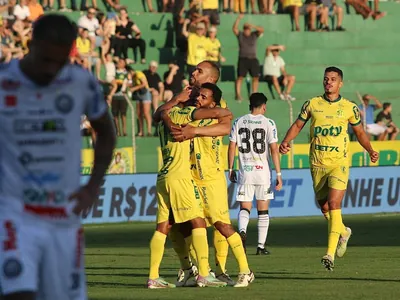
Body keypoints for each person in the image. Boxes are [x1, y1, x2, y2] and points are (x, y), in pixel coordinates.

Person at [0, 14, 116, 300]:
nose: (52, 70)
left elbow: (107, 132)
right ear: (30, 44)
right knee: (17, 292)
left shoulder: (81, 82)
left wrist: (92, 186)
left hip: (64, 217)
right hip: (13, 211)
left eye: (60, 61)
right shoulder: (4, 82)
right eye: (46, 60)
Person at [279, 66, 379, 270]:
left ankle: (329, 254)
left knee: (334, 204)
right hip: (317, 163)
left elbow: (359, 133)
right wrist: (286, 141)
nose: (328, 82)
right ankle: (343, 232)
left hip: (339, 163)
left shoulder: (349, 107)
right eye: (326, 79)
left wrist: (370, 149)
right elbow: (298, 125)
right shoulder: (312, 104)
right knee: (324, 207)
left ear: (340, 83)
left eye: (333, 79)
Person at [149, 86, 231, 289]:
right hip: (180, 177)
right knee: (198, 222)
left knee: (163, 226)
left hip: (163, 176)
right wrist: (215, 114)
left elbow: (159, 112)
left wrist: (175, 99)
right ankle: (204, 274)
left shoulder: (164, 116)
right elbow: (224, 113)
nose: (197, 101)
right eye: (196, 98)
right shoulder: (187, 114)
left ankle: (153, 277)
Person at [228, 92, 283, 255]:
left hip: (245, 171)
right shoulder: (268, 123)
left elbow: (232, 146)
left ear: (249, 105)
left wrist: (230, 169)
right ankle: (260, 246)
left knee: (245, 208)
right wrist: (279, 174)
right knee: (263, 210)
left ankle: (242, 232)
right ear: (264, 106)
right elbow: (274, 149)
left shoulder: (238, 122)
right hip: (262, 172)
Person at [232, 14, 263, 101]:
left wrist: (252, 25)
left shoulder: (254, 35)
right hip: (243, 58)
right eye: (245, 28)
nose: (246, 30)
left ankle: (254, 94)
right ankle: (238, 95)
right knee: (240, 77)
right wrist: (238, 19)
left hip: (253, 59)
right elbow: (234, 29)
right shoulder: (241, 35)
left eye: (248, 29)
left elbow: (261, 30)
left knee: (255, 77)